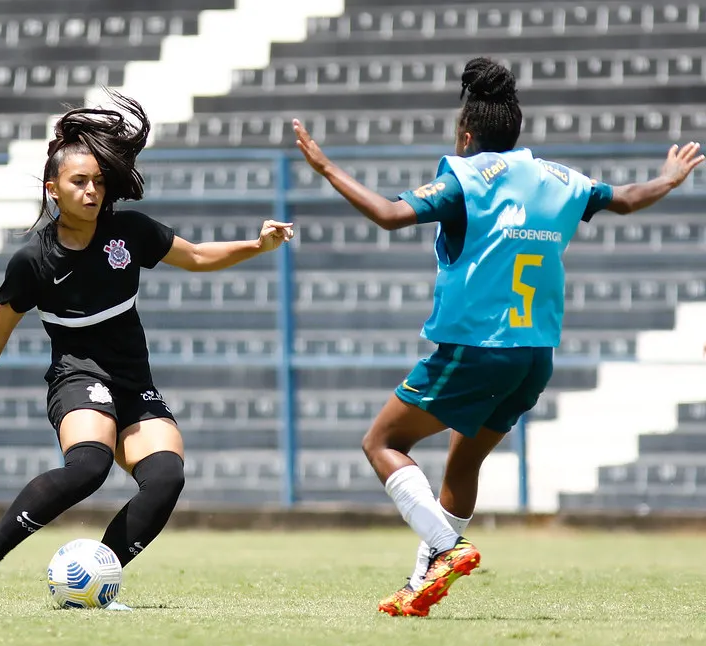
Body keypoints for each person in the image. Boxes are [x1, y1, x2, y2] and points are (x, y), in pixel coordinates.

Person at [292, 57, 704, 617]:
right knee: (463, 465)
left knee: (382, 443)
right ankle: (421, 585)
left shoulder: (465, 179)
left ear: (467, 134)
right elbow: (628, 198)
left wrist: (325, 168)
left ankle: (446, 546)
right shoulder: (562, 180)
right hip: (535, 356)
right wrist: (671, 178)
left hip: (475, 350)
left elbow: (389, 214)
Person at [0, 91, 293, 606]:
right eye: (79, 182)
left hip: (134, 383)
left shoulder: (128, 232)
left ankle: (96, 583)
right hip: (77, 378)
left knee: (166, 477)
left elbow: (195, 256)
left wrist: (255, 246)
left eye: (99, 182)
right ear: (52, 189)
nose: (91, 191)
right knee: (88, 467)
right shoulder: (33, 260)